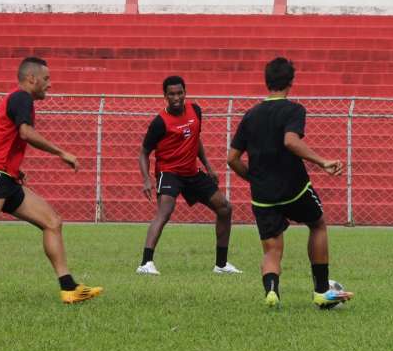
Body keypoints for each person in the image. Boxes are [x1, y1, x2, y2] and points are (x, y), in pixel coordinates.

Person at [227, 57, 352, 309]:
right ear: (291, 83)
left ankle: (272, 293)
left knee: (272, 250)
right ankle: (320, 291)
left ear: (267, 82)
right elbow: (290, 141)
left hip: (263, 195)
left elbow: (232, 158)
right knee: (317, 224)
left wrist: (253, 177)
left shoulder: (250, 115)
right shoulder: (293, 110)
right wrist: (322, 161)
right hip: (294, 189)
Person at [0, 57, 104, 303]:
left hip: (7, 177)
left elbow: (4, 137)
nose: (49, 84)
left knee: (52, 221)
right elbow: (25, 133)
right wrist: (62, 152)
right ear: (32, 79)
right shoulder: (22, 97)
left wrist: (16, 169)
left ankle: (69, 287)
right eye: (46, 79)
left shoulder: (18, 100)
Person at [137, 76, 241, 275]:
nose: (176, 97)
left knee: (225, 208)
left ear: (185, 92)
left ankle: (221, 265)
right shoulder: (159, 122)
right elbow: (143, 153)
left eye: (179, 93)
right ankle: (146, 263)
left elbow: (195, 139)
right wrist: (146, 179)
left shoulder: (196, 111)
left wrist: (208, 166)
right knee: (165, 211)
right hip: (169, 172)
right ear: (165, 96)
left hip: (192, 172)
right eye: (171, 94)